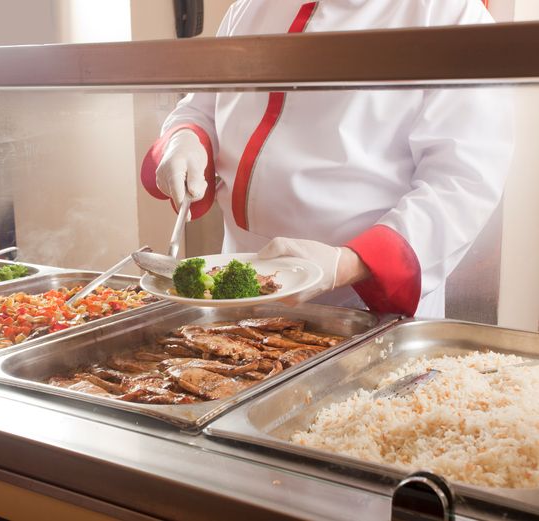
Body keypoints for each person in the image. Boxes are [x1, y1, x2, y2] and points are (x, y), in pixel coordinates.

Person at [141, 0, 513, 317]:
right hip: (239, 278)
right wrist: (186, 138)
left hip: (359, 297)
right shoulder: (252, 5)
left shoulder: (446, 14)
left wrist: (346, 264)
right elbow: (203, 105)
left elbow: (461, 185)